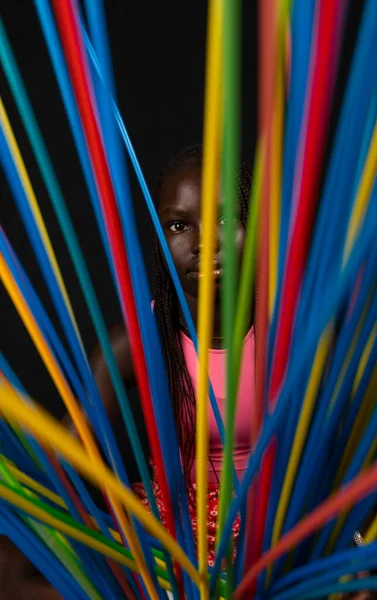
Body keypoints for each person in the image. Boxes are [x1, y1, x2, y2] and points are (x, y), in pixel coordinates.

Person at [91, 144, 254, 565]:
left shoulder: (297, 334)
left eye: (225, 219)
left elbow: (345, 449)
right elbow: (69, 447)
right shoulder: (136, 343)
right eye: (179, 226)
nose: (204, 242)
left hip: (276, 529)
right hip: (177, 541)